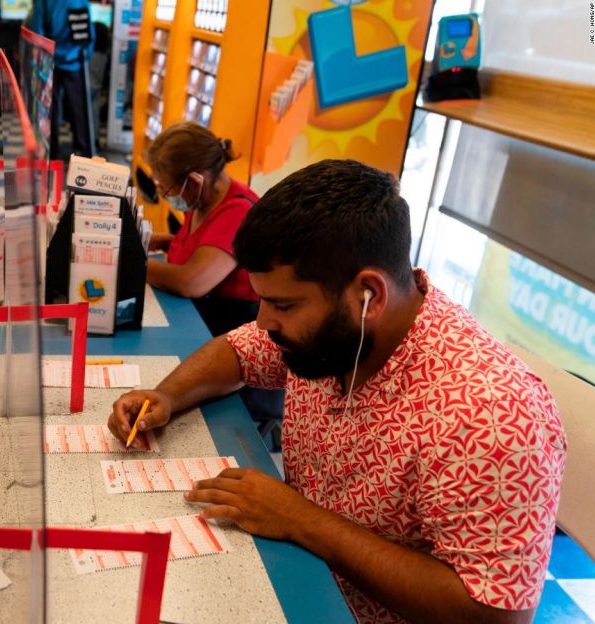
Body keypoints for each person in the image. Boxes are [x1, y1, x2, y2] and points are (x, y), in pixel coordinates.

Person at [109, 160, 566, 623]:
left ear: (370, 293)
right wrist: (166, 396)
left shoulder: (490, 416)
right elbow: (241, 350)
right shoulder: (342, 331)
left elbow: (493, 615)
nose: (265, 321)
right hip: (303, 576)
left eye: (283, 304)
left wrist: (300, 519)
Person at [145, 122, 260, 337]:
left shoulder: (237, 212)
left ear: (194, 181)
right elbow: (206, 246)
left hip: (224, 331)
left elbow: (191, 281)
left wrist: (130, 262)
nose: (163, 193)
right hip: (195, 316)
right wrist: (168, 243)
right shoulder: (201, 200)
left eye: (166, 188)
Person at [26, 0, 96, 160]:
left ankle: (53, 152)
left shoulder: (45, 3)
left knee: (51, 108)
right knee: (79, 108)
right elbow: (89, 33)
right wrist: (86, 55)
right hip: (75, 60)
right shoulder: (81, 2)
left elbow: (37, 30)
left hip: (51, 60)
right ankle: (83, 153)